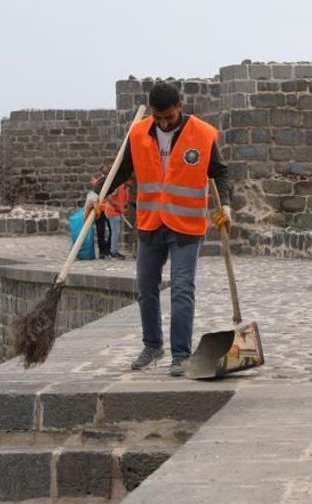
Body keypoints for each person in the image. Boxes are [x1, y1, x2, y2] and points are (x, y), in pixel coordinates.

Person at [85, 83, 232, 377]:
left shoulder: (202, 134)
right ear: (151, 112)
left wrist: (225, 205)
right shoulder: (138, 133)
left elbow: (220, 172)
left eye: (169, 117)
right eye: (158, 118)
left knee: (181, 289)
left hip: (187, 226)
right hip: (151, 222)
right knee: (146, 287)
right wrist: (97, 194)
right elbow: (121, 169)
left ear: (181, 105)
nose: (164, 123)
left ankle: (181, 354)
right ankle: (153, 345)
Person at [103, 180, 130, 259]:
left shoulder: (126, 188)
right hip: (112, 212)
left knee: (115, 232)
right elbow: (108, 196)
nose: (131, 183)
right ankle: (113, 252)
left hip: (116, 212)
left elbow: (123, 201)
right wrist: (115, 206)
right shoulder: (118, 187)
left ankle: (111, 250)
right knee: (115, 232)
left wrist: (123, 208)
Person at [91, 164, 112, 258]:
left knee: (103, 231)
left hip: (102, 209)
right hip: (103, 209)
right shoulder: (101, 181)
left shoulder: (99, 181)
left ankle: (104, 251)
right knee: (105, 231)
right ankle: (104, 250)